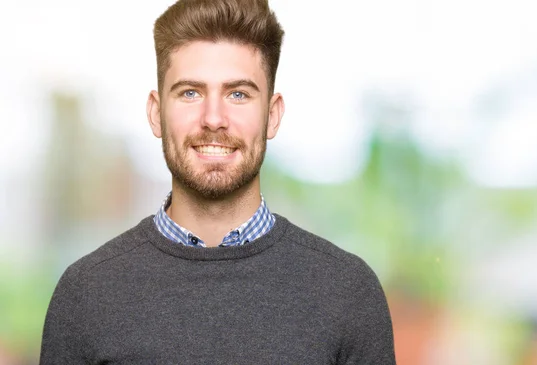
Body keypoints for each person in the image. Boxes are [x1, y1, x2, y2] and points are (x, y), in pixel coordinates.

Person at [39, 0, 396, 363]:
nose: (213, 119)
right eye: (190, 93)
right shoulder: (86, 293)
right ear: (156, 112)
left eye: (238, 94)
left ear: (272, 116)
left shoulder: (348, 292)